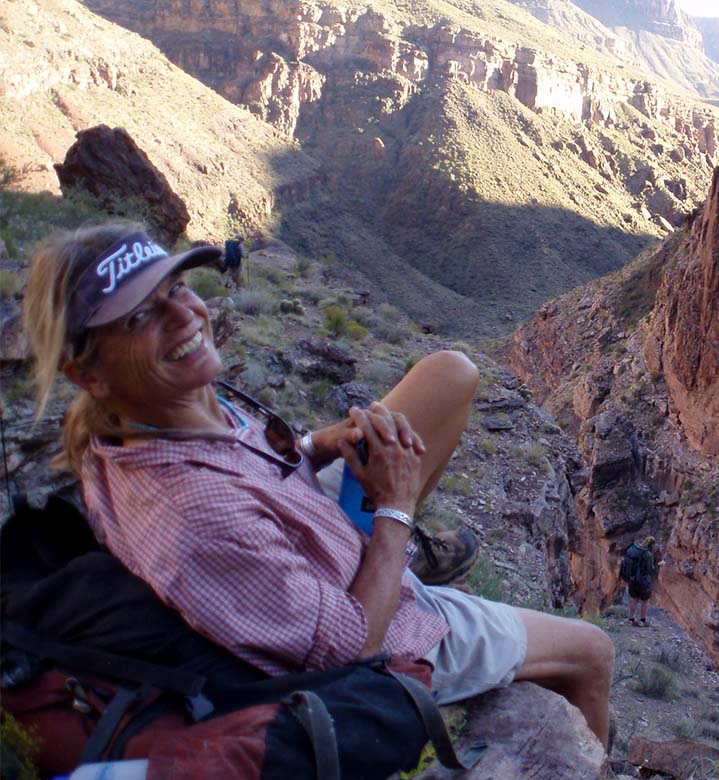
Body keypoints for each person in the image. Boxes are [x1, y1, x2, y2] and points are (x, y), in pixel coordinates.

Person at [23, 222, 615, 744]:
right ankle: (405, 568)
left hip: (308, 545)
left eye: (175, 288)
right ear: (86, 373)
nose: (185, 316)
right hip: (375, 628)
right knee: (592, 653)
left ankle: (399, 557)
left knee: (449, 375)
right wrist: (396, 510)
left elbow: (246, 470)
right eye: (140, 317)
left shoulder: (174, 409)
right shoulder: (189, 512)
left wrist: (309, 446)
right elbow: (351, 653)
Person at [624, 536, 657, 627]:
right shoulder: (648, 554)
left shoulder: (635, 550)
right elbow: (650, 570)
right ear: (652, 545)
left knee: (635, 599)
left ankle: (631, 619)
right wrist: (658, 565)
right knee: (645, 600)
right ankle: (643, 620)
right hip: (643, 581)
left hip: (632, 579)